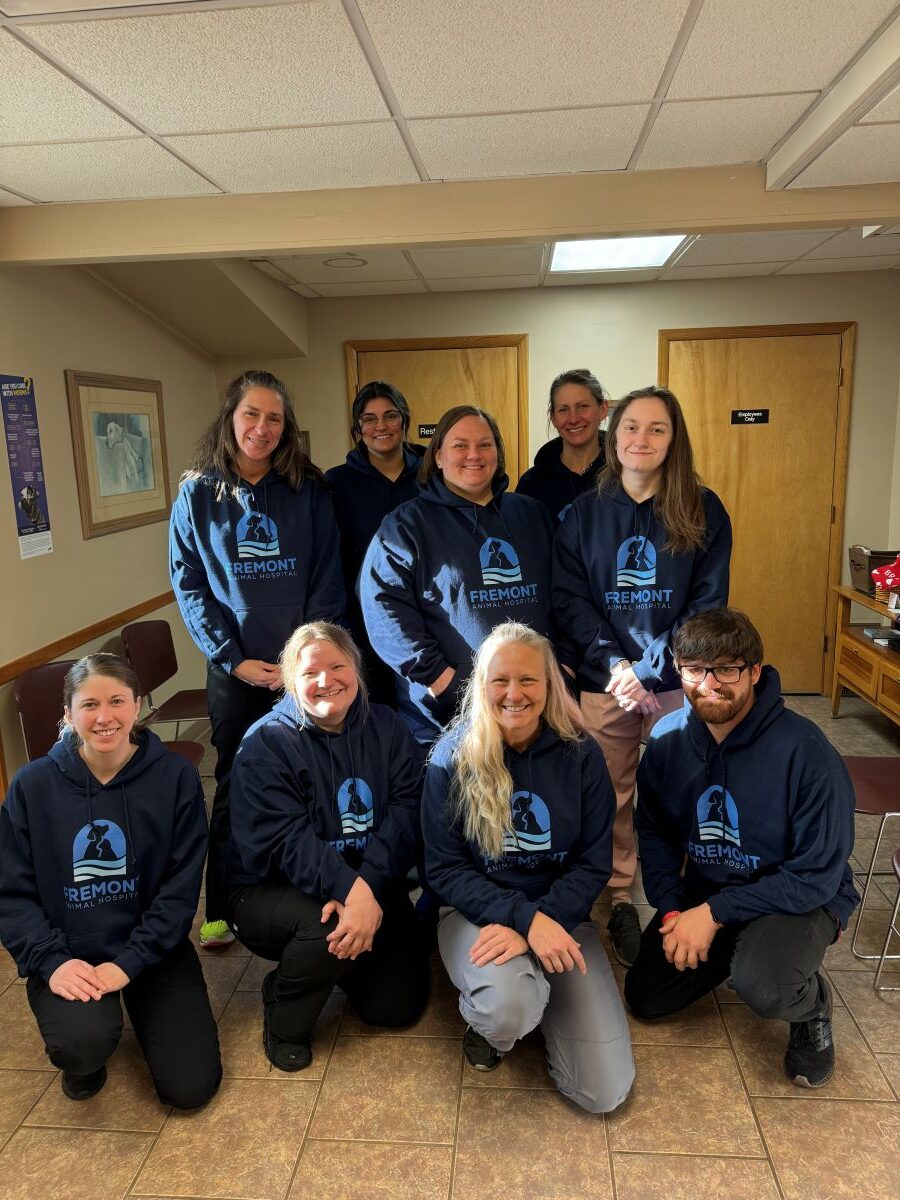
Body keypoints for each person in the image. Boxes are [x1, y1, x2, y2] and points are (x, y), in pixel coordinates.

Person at [624, 608, 859, 1088]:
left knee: (765, 987)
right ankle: (736, 945)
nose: (710, 684)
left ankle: (809, 1003)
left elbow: (815, 876)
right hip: (714, 888)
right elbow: (656, 832)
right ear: (678, 670)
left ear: (754, 671)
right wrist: (672, 911)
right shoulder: (667, 742)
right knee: (647, 998)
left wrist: (712, 913)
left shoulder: (808, 754)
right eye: (694, 670)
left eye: (727, 669)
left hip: (799, 899)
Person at [553, 385, 732, 968]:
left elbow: (706, 605)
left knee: (682, 789)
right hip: (606, 681)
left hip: (681, 681)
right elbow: (571, 599)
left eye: (657, 429)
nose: (642, 439)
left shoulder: (703, 509)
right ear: (613, 433)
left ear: (674, 438)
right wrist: (617, 667)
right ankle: (620, 895)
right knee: (610, 793)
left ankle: (683, 897)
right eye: (632, 427)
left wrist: (652, 670)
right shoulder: (581, 514)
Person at [422, 622, 634, 1113]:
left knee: (603, 1093)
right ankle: (497, 1026)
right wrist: (524, 920)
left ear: (550, 686)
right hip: (477, 915)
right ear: (480, 684)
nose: (514, 693)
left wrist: (539, 924)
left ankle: (530, 992)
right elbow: (445, 869)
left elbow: (592, 863)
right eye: (500, 680)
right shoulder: (450, 757)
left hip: (563, 916)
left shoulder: (582, 757)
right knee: (507, 1010)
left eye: (528, 680)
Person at [169, 369, 345, 950]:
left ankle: (307, 888)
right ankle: (222, 902)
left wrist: (304, 662)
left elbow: (326, 578)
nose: (262, 428)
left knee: (311, 774)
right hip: (235, 672)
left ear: (286, 427)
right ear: (230, 418)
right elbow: (190, 586)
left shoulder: (307, 489)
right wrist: (233, 659)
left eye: (274, 418)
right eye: (252, 415)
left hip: (305, 671)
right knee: (235, 780)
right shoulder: (197, 493)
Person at [0, 654, 221, 1107]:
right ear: (68, 714)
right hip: (70, 952)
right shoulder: (31, 786)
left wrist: (130, 962)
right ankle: (86, 1053)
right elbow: (11, 892)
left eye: (117, 701)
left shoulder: (175, 778)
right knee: (81, 1043)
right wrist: (51, 961)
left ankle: (135, 1005)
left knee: (191, 1089)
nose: (104, 717)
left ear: (136, 706)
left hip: (153, 949)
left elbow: (179, 893)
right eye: (89, 705)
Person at [225, 622, 430, 1071]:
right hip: (275, 888)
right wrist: (352, 893)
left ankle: (346, 961)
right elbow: (286, 841)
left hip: (367, 879)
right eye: (310, 672)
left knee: (395, 1009)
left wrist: (366, 889)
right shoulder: (266, 744)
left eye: (338, 666)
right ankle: (284, 1012)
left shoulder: (388, 727)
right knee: (322, 934)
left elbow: (407, 812)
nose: (326, 681)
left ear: (356, 669)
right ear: (289, 679)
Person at [360, 405, 557, 745]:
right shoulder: (405, 525)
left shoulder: (533, 515)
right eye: (460, 445)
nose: (474, 455)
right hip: (444, 717)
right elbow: (384, 611)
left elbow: (568, 593)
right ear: (437, 456)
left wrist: (561, 668)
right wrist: (442, 680)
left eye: (485, 444)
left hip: (532, 710)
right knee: (451, 799)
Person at [325, 381, 425, 705]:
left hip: (427, 620)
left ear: (404, 421)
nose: (380, 426)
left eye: (390, 416)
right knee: (374, 715)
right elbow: (332, 560)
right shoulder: (336, 483)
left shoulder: (433, 475)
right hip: (363, 624)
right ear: (358, 428)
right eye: (369, 419)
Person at [517, 368, 608, 522]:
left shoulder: (624, 474)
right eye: (563, 409)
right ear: (553, 418)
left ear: (602, 409)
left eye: (582, 406)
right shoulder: (531, 484)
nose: (573, 419)